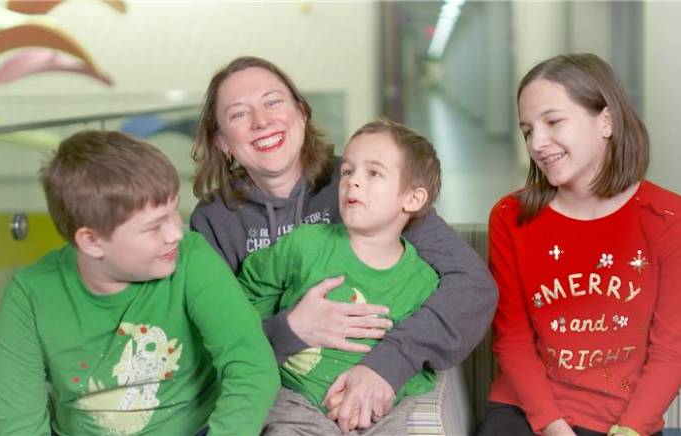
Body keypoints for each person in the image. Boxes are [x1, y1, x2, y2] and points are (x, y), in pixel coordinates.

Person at [189, 56, 497, 432]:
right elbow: (209, 334)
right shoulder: (213, 220)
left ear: (302, 113)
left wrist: (388, 364)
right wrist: (291, 329)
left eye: (273, 102)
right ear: (223, 142)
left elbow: (471, 285)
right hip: (286, 394)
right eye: (239, 114)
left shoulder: (361, 182)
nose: (262, 121)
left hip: (373, 382)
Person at [0, 131, 280, 435]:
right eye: (154, 226)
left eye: (173, 212)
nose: (175, 233)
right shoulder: (29, 296)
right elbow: (18, 425)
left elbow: (252, 368)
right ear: (91, 241)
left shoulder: (191, 257)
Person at [479, 53, 681, 436]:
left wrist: (631, 429)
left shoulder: (668, 219)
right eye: (527, 130)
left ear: (605, 121)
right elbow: (514, 340)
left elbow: (672, 351)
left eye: (553, 121)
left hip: (623, 421)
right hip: (527, 411)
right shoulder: (510, 216)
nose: (537, 143)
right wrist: (554, 427)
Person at [238, 118, 441, 434]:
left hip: (375, 413)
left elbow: (422, 364)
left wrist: (375, 400)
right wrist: (265, 337)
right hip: (294, 398)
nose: (353, 182)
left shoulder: (423, 283)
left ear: (412, 199)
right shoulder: (305, 244)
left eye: (373, 173)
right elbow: (252, 285)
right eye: (347, 171)